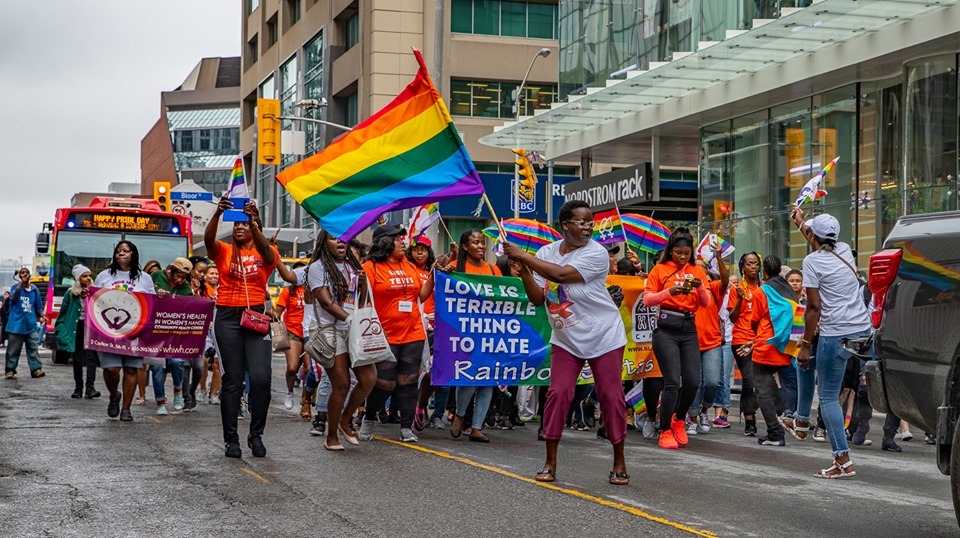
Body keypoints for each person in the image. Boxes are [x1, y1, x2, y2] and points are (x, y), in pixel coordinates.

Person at [505, 200, 629, 485]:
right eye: (582, 222)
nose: (588, 227)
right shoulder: (546, 252)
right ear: (566, 226)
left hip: (604, 336)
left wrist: (523, 256)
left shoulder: (596, 253)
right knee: (558, 394)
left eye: (590, 222)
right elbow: (538, 298)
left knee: (611, 397)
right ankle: (549, 462)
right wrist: (523, 269)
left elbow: (559, 275)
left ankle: (619, 460)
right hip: (566, 339)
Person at [791, 209, 871, 478]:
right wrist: (801, 223)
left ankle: (842, 460)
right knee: (807, 365)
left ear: (813, 236)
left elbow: (813, 307)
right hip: (860, 331)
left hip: (835, 333)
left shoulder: (812, 262)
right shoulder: (845, 249)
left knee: (827, 396)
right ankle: (800, 421)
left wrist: (804, 343)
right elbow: (818, 239)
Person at [205, 198, 278, 458]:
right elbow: (208, 241)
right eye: (235, 223)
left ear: (254, 225)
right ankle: (231, 440)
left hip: (255, 316)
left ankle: (255, 434)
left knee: (261, 378)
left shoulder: (267, 252)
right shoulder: (224, 251)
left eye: (244, 223)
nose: (239, 227)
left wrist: (254, 224)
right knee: (233, 380)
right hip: (227, 316)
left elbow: (268, 254)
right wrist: (217, 214)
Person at [358, 224, 434, 443]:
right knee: (385, 383)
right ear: (385, 242)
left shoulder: (408, 266)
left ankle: (406, 427)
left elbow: (420, 296)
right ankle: (369, 416)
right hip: (384, 334)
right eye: (398, 239)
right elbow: (363, 301)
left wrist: (433, 277)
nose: (403, 242)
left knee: (409, 380)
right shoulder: (370, 267)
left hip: (413, 332)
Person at [308, 230, 378, 451]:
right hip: (332, 331)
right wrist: (349, 319)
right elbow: (327, 302)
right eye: (333, 238)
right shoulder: (317, 268)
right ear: (324, 242)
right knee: (341, 384)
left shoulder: (352, 266)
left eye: (343, 238)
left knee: (369, 378)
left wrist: (364, 282)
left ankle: (345, 419)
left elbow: (362, 299)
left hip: (353, 330)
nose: (340, 242)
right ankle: (331, 437)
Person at [643, 228, 711, 449]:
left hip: (688, 328)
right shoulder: (660, 269)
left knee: (692, 381)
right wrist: (670, 292)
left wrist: (700, 288)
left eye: (686, 253)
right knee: (672, 381)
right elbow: (648, 300)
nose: (682, 257)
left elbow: (706, 303)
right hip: (665, 328)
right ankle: (664, 430)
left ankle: (679, 419)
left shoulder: (696, 270)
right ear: (671, 251)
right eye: (678, 253)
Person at [447, 229, 502, 443]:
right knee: (469, 376)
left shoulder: (494, 270)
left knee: (488, 380)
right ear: (464, 247)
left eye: (482, 242)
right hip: (465, 331)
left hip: (490, 330)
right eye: (475, 242)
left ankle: (477, 426)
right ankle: (460, 415)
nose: (480, 246)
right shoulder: (454, 268)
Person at [95, 241, 156, 421]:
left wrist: (160, 296)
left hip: (135, 332)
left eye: (126, 251)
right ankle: (114, 395)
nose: (122, 254)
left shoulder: (144, 278)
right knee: (111, 369)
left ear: (133, 254)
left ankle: (126, 409)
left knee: (131, 369)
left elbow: (152, 302)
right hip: (109, 332)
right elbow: (94, 300)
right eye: (119, 251)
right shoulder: (104, 276)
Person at [749, 255, 799, 447]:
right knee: (775, 384)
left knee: (762, 390)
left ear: (765, 272)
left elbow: (755, 319)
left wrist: (755, 334)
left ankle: (774, 433)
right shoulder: (790, 291)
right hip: (786, 345)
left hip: (766, 345)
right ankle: (786, 414)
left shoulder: (762, 291)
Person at [688, 246, 730, 436]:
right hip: (690, 342)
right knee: (694, 383)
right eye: (695, 267)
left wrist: (719, 258)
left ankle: (705, 411)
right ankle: (693, 417)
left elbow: (726, 280)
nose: (699, 270)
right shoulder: (685, 289)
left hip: (712, 342)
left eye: (703, 267)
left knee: (712, 382)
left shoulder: (713, 289)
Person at [408, 237, 445, 431]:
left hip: (435, 326)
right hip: (412, 326)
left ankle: (420, 406)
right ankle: (407, 410)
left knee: (432, 371)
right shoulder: (406, 269)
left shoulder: (435, 271)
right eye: (416, 249)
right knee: (411, 372)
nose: (419, 253)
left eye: (423, 249)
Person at [149, 258, 194, 415]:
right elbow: (144, 296)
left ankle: (178, 391)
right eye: (179, 275)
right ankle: (160, 401)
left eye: (184, 277)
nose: (181, 280)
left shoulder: (185, 286)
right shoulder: (156, 276)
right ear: (170, 271)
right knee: (156, 367)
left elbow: (190, 306)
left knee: (176, 361)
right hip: (155, 330)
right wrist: (157, 293)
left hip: (175, 331)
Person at [729, 252, 762, 436]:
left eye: (756, 264)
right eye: (749, 264)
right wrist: (741, 299)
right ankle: (749, 420)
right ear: (743, 267)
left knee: (762, 381)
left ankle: (750, 409)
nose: (753, 267)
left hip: (761, 340)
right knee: (749, 379)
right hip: (741, 339)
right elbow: (733, 318)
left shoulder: (764, 288)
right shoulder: (737, 288)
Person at [54, 265, 100, 399]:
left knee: (92, 357)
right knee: (77, 357)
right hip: (76, 327)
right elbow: (63, 313)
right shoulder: (71, 293)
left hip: (91, 327)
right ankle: (78, 388)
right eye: (84, 276)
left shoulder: (96, 292)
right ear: (78, 279)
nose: (88, 278)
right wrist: (60, 329)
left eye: (89, 275)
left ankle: (90, 388)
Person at [276, 261, 308, 412]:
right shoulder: (288, 291)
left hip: (310, 332)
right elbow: (277, 312)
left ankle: (305, 400)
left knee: (310, 369)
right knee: (292, 367)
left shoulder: (314, 289)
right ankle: (289, 393)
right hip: (292, 331)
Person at [4, 268, 46, 380]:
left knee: (33, 347)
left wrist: (42, 314)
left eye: (26, 273)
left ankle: (36, 369)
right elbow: (13, 299)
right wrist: (20, 285)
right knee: (13, 349)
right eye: (22, 273)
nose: (25, 275)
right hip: (16, 324)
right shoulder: (15, 288)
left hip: (30, 324)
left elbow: (38, 305)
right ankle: (10, 370)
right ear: (19, 276)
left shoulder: (34, 290)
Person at [713, 273, 738, 427]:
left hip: (728, 338)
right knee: (711, 378)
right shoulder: (711, 295)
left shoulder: (732, 295)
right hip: (712, 339)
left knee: (724, 376)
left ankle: (722, 411)